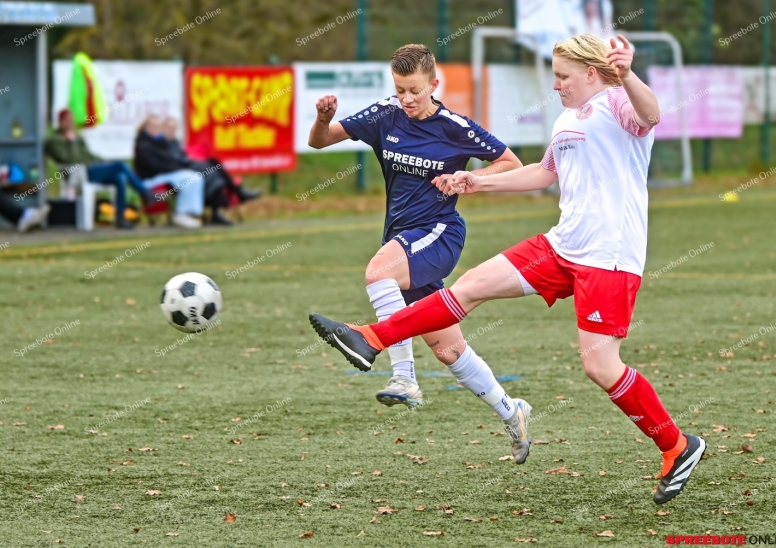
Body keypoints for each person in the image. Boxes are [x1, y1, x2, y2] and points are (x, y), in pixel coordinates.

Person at [309, 34, 705, 505]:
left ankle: (677, 445)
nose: (555, 85)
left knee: (600, 365)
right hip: (562, 246)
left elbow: (653, 114)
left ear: (593, 75)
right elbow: (542, 172)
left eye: (562, 77)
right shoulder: (566, 120)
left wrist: (629, 75)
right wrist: (475, 181)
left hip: (608, 257)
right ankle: (372, 337)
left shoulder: (620, 103)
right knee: (471, 287)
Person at [308, 43, 529, 454]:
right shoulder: (384, 114)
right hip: (402, 241)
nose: (406, 99)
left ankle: (405, 378)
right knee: (449, 350)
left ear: (433, 84)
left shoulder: (454, 126)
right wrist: (323, 119)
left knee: (378, 273)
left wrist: (466, 176)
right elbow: (320, 142)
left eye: (414, 90)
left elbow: (510, 163)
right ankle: (510, 409)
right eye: (399, 89)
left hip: (439, 232)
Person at [45, 109, 156, 229]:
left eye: (71, 120)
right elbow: (70, 160)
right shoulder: (54, 141)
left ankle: (120, 218)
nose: (70, 123)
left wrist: (103, 161)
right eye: (67, 120)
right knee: (120, 165)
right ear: (60, 122)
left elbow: (88, 155)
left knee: (120, 178)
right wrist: (71, 143)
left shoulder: (78, 137)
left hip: (91, 169)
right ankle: (145, 192)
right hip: (78, 175)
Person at [163, 117, 261, 226]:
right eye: (169, 127)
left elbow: (184, 157)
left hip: (187, 167)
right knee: (212, 172)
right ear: (164, 129)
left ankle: (224, 204)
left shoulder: (175, 143)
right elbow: (173, 162)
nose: (172, 130)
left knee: (214, 166)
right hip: (181, 171)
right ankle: (237, 194)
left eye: (174, 128)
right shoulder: (162, 144)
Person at [133, 115, 206, 229]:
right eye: (152, 126)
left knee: (195, 177)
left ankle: (191, 213)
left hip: (165, 174)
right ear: (145, 127)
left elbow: (169, 160)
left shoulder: (160, 141)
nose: (155, 129)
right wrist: (175, 168)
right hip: (150, 178)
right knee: (189, 178)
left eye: (157, 127)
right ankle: (181, 213)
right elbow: (154, 166)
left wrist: (175, 168)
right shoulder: (143, 144)